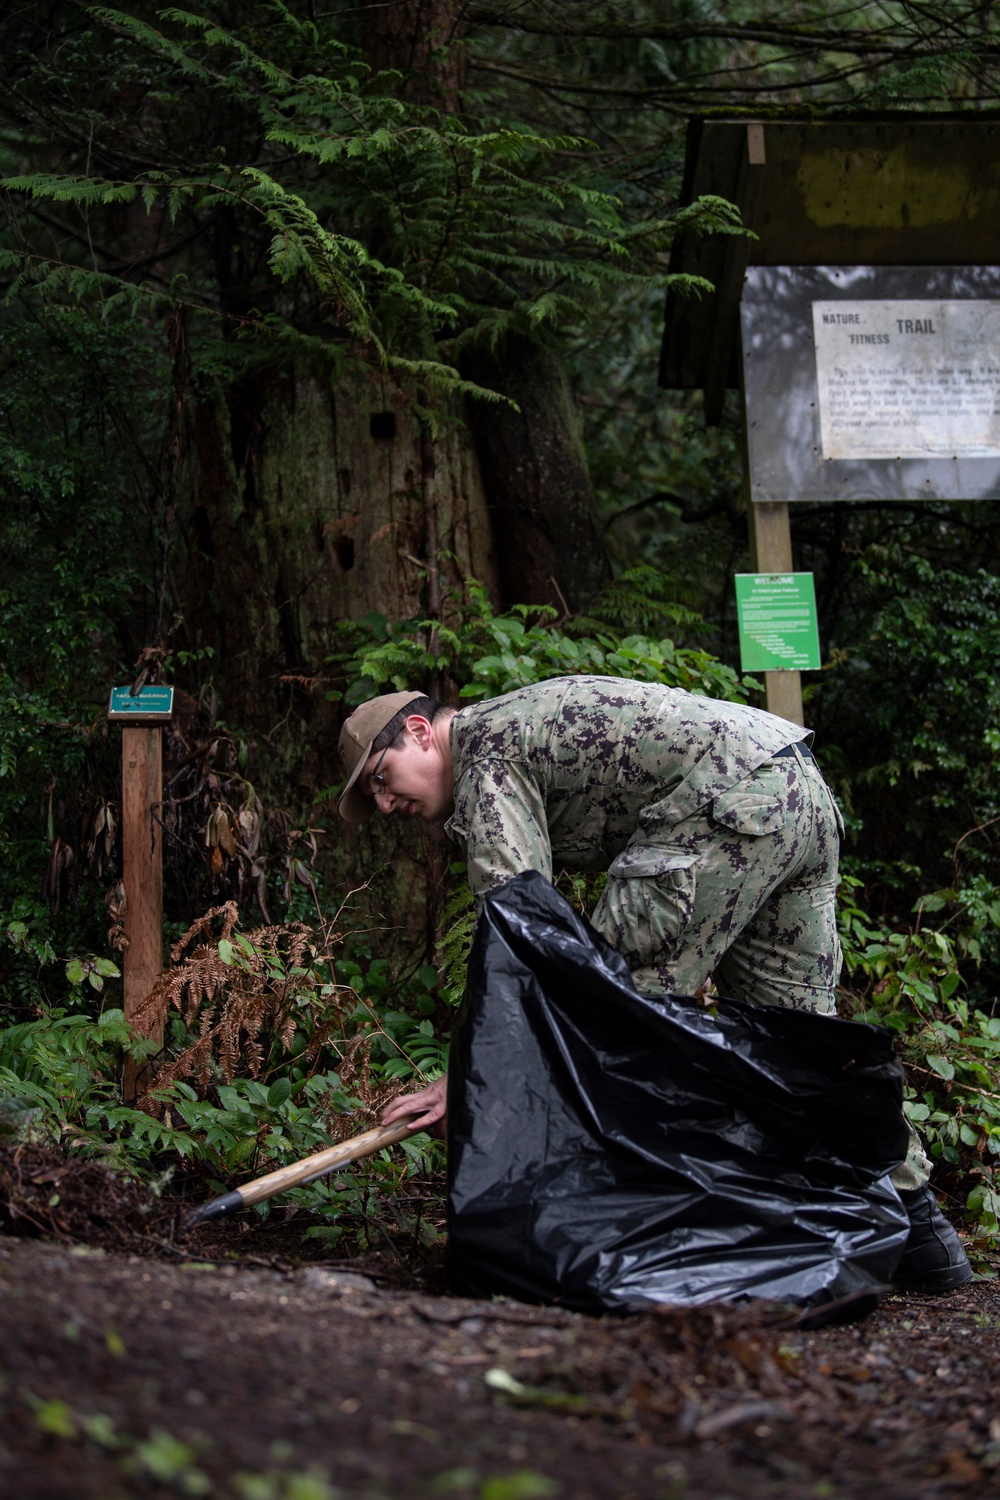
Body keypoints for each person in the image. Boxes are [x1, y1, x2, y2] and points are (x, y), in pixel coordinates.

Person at [338, 677, 971, 1292]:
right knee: (797, 1039)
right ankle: (922, 1233)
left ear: (420, 732)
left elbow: (519, 931)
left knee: (613, 1017)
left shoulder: (486, 752)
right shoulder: (514, 724)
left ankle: (624, 1237)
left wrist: (470, 1073)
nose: (387, 806)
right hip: (794, 790)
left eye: (381, 780)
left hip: (722, 811)